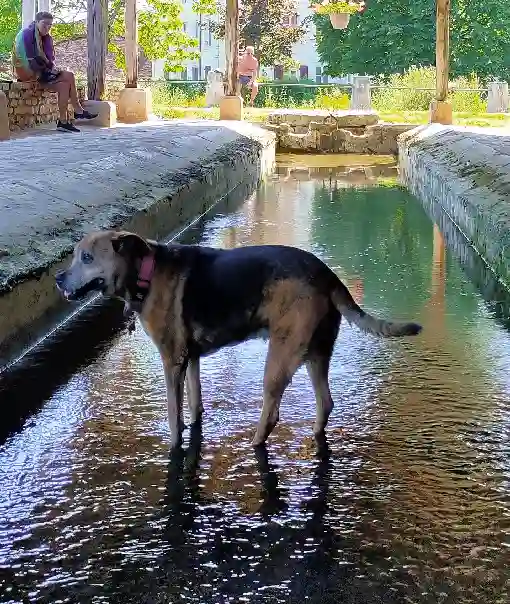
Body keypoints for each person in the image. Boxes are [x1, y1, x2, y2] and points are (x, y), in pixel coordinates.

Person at [12, 12, 97, 133]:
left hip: (41, 73)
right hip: (28, 73)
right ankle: (78, 110)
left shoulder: (46, 39)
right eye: (44, 24)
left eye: (50, 25)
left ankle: (63, 122)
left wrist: (50, 68)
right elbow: (30, 60)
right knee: (69, 75)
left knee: (64, 85)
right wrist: (49, 68)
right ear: (36, 22)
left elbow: (49, 60)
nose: (47, 27)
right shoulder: (27, 34)